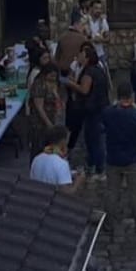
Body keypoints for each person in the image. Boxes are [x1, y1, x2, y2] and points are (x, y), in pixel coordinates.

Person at [101, 82, 136, 234]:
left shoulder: (108, 112)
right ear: (132, 96)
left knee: (112, 192)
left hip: (113, 158)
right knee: (135, 193)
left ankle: (109, 223)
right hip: (134, 159)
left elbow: (103, 126)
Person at [64, 47, 111, 180]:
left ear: (87, 58)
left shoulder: (89, 72)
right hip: (99, 107)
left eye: (81, 55)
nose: (78, 56)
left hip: (93, 110)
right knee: (93, 139)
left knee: (94, 140)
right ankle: (93, 166)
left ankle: (99, 169)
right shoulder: (97, 69)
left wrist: (70, 83)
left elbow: (84, 90)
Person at [30, 125, 85, 195]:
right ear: (63, 141)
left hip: (36, 197)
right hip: (51, 199)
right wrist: (77, 182)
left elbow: (48, 172)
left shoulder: (37, 158)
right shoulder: (62, 163)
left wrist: (70, 173)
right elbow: (66, 193)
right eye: (67, 140)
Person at [28, 63, 65, 162]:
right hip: (39, 121)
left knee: (50, 147)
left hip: (53, 117)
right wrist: (48, 123)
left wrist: (55, 93)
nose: (53, 78)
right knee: (38, 146)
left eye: (55, 76)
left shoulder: (56, 84)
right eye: (51, 76)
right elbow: (39, 107)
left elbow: (60, 102)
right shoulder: (39, 84)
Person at [87, 0, 110, 64]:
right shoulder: (86, 20)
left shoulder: (103, 21)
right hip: (88, 56)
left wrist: (101, 40)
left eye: (100, 8)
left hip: (100, 55)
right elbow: (81, 38)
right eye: (96, 8)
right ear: (91, 9)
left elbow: (108, 39)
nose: (99, 11)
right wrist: (92, 40)